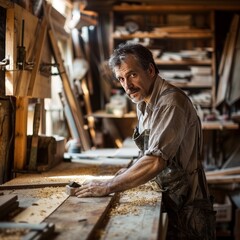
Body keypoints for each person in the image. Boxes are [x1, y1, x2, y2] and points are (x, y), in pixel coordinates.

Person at [75, 43, 216, 239]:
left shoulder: (170, 104)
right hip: (168, 196)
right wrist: (130, 170)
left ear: (150, 70)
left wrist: (109, 186)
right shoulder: (144, 102)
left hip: (186, 207)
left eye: (132, 75)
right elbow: (148, 153)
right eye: (121, 79)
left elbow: (156, 160)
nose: (127, 85)